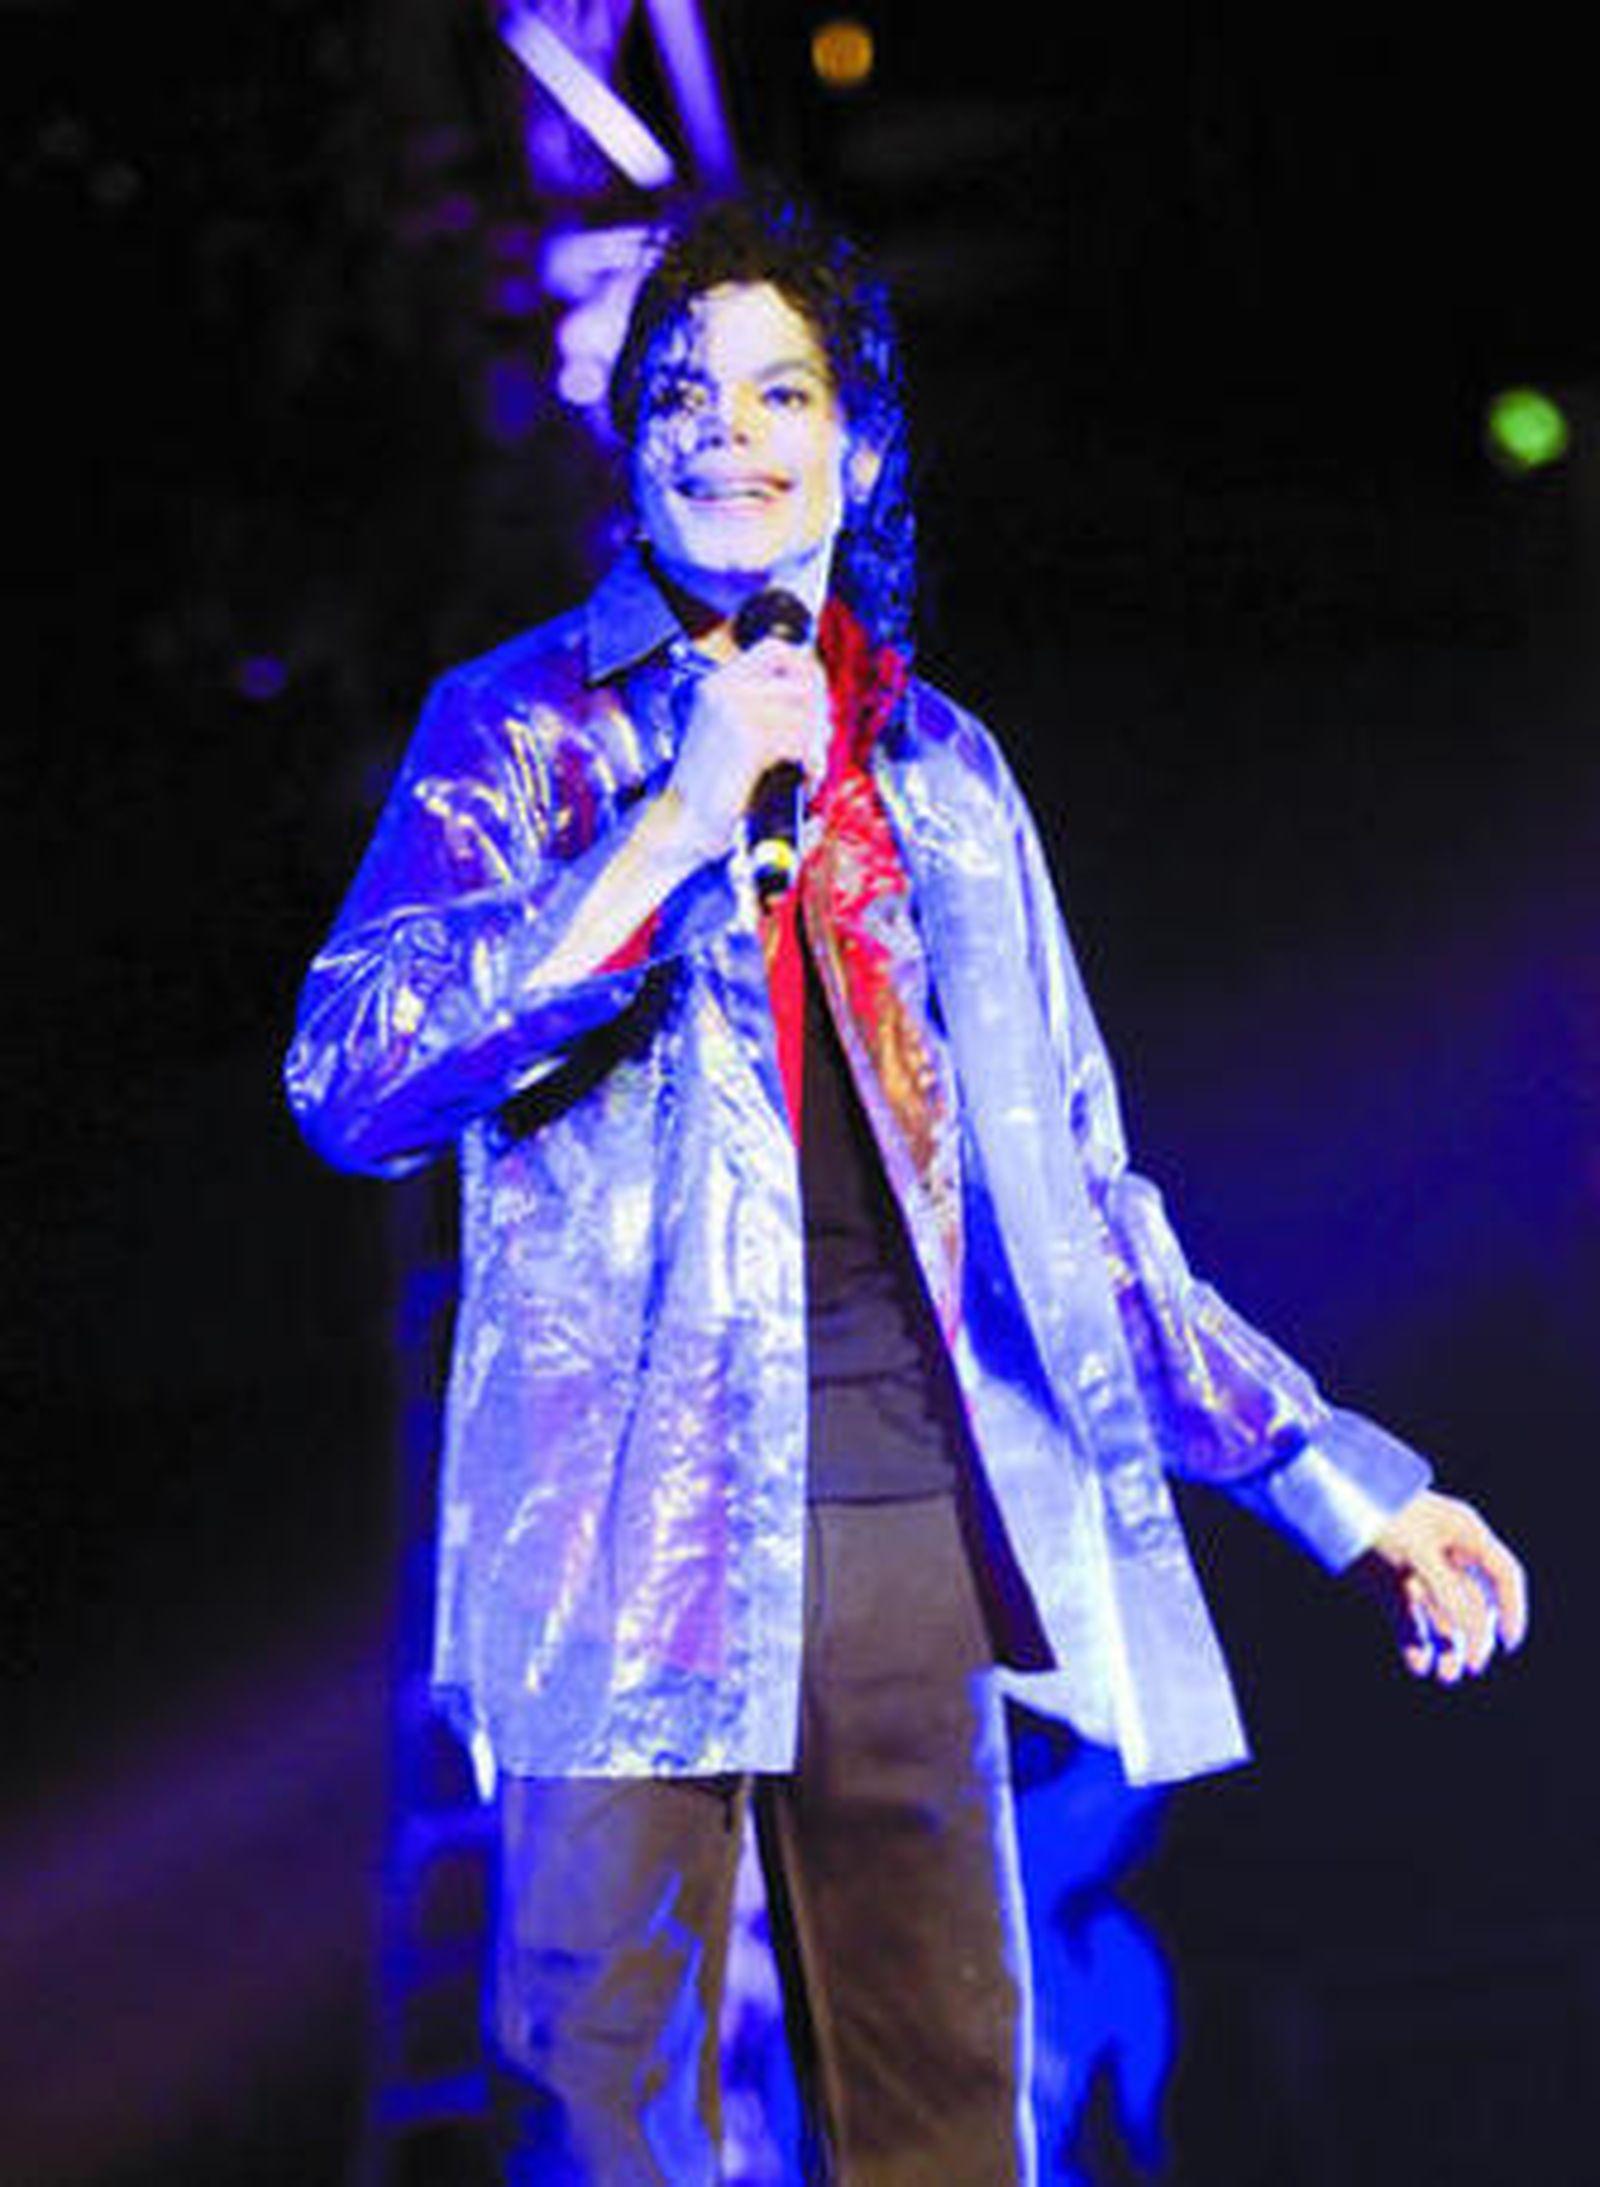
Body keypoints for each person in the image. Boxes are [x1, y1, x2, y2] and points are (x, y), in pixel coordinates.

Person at [284, 191, 1528, 2184]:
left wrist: (1339, 1483)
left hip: (893, 1515)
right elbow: (349, 1074)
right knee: (595, 2092)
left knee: (945, 2103)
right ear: (631, 442)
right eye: (679, 391)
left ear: (854, 450)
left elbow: (1083, 1212)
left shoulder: (942, 774)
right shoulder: (515, 729)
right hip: (617, 1520)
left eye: (779, 389)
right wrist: (668, 832)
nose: (726, 428)